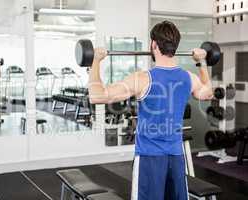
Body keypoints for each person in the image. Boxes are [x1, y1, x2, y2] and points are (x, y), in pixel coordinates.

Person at [88, 21, 213, 200]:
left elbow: (96, 96)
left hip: (149, 158)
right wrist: (201, 61)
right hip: (176, 158)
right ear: (175, 46)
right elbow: (207, 93)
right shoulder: (188, 77)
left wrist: (95, 61)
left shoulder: (142, 79)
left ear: (153, 44)